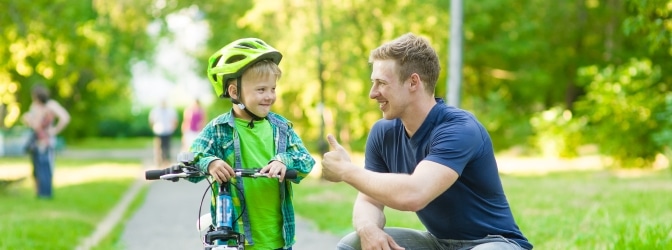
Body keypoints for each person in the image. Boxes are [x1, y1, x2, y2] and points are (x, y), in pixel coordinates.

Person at [321, 33, 533, 250]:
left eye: (381, 83)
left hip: (494, 243)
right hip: (438, 243)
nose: (372, 93)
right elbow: (369, 200)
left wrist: (346, 171)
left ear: (413, 82)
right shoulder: (383, 133)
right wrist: (369, 230)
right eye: (373, 83)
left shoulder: (459, 128)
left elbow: (414, 194)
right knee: (353, 244)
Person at [186, 37, 315, 250]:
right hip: (232, 237)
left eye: (273, 89)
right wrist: (210, 163)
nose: (270, 96)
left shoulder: (282, 128)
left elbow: (306, 160)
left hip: (277, 239)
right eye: (261, 90)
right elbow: (193, 156)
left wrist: (283, 161)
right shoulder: (218, 129)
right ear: (235, 92)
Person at [21, 84, 70, 199]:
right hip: (36, 141)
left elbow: (65, 118)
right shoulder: (36, 106)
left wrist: (54, 131)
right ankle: (39, 193)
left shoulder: (50, 105)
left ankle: (46, 194)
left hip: (46, 141)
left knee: (46, 167)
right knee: (36, 168)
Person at [148, 98, 178, 167]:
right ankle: (158, 160)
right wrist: (153, 128)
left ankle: (166, 160)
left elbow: (174, 120)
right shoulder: (156, 110)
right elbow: (151, 121)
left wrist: (172, 128)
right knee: (158, 147)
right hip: (158, 131)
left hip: (167, 131)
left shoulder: (170, 110)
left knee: (167, 147)